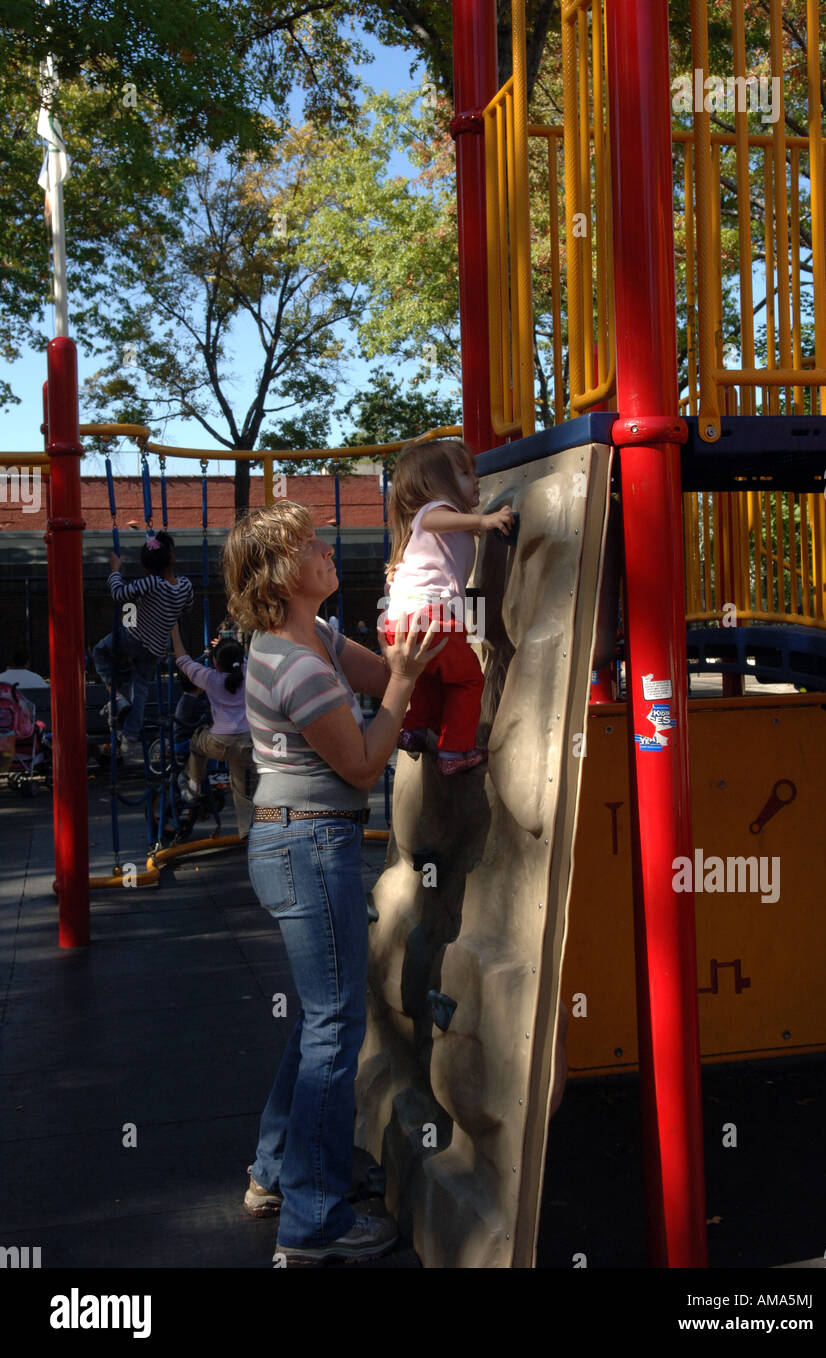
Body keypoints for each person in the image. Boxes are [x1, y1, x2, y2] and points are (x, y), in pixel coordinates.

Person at [222, 500, 446, 1266]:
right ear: (282, 576)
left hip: (300, 842)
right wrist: (408, 684)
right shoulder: (291, 663)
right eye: (308, 546)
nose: (325, 551)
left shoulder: (307, 634)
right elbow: (361, 761)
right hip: (306, 847)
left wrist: (419, 645)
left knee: (320, 1022)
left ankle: (273, 1173)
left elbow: (382, 674)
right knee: (333, 1030)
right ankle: (311, 1225)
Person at [384, 439, 514, 775]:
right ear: (438, 483)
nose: (476, 479)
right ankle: (456, 750)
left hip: (401, 618)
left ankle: (415, 729)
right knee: (468, 680)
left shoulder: (429, 527)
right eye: (465, 473)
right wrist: (482, 521)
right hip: (431, 616)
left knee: (429, 676)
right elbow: (434, 521)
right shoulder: (435, 511)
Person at [91, 531, 193, 756]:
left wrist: (115, 570)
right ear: (172, 559)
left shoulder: (151, 583)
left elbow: (119, 594)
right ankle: (130, 735)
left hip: (133, 638)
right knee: (141, 689)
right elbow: (186, 608)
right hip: (155, 649)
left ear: (146, 568)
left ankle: (116, 696)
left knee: (99, 652)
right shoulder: (185, 586)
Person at [170, 623, 254, 837]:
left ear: (215, 662)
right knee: (242, 790)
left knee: (197, 742)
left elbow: (183, 660)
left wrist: (174, 631)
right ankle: (248, 833)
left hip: (219, 742)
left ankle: (194, 783)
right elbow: (243, 657)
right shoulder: (248, 671)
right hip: (247, 743)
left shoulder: (209, 678)